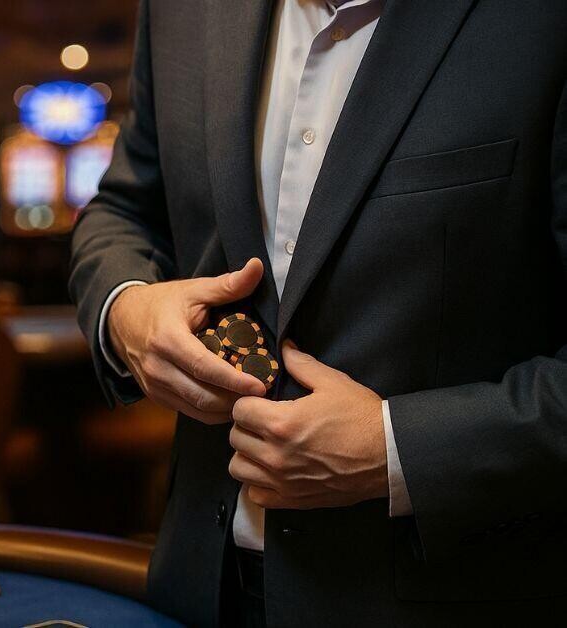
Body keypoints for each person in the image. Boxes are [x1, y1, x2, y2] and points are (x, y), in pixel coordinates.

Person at [70, 1, 567, 626]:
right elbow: (123, 206)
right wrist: (127, 308)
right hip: (200, 586)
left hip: (441, 596)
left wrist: (397, 452)